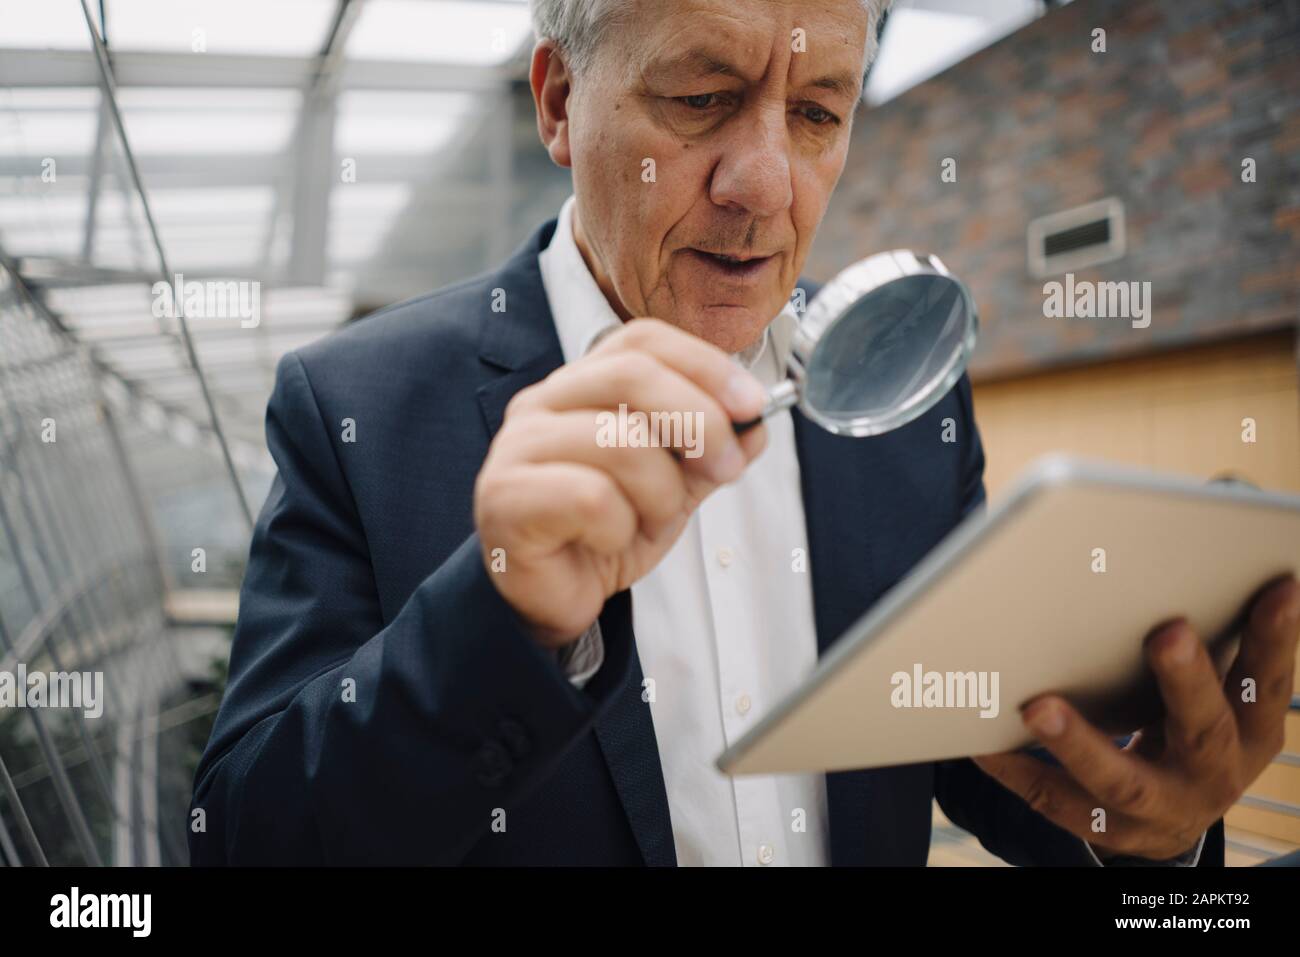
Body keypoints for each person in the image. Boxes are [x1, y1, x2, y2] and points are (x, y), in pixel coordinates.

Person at [189, 0, 1299, 866]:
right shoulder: (360, 409)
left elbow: (1000, 771)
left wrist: (1154, 833)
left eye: (817, 112)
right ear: (561, 100)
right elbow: (243, 841)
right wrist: (497, 624)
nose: (766, 185)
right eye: (703, 96)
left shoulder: (906, 413)